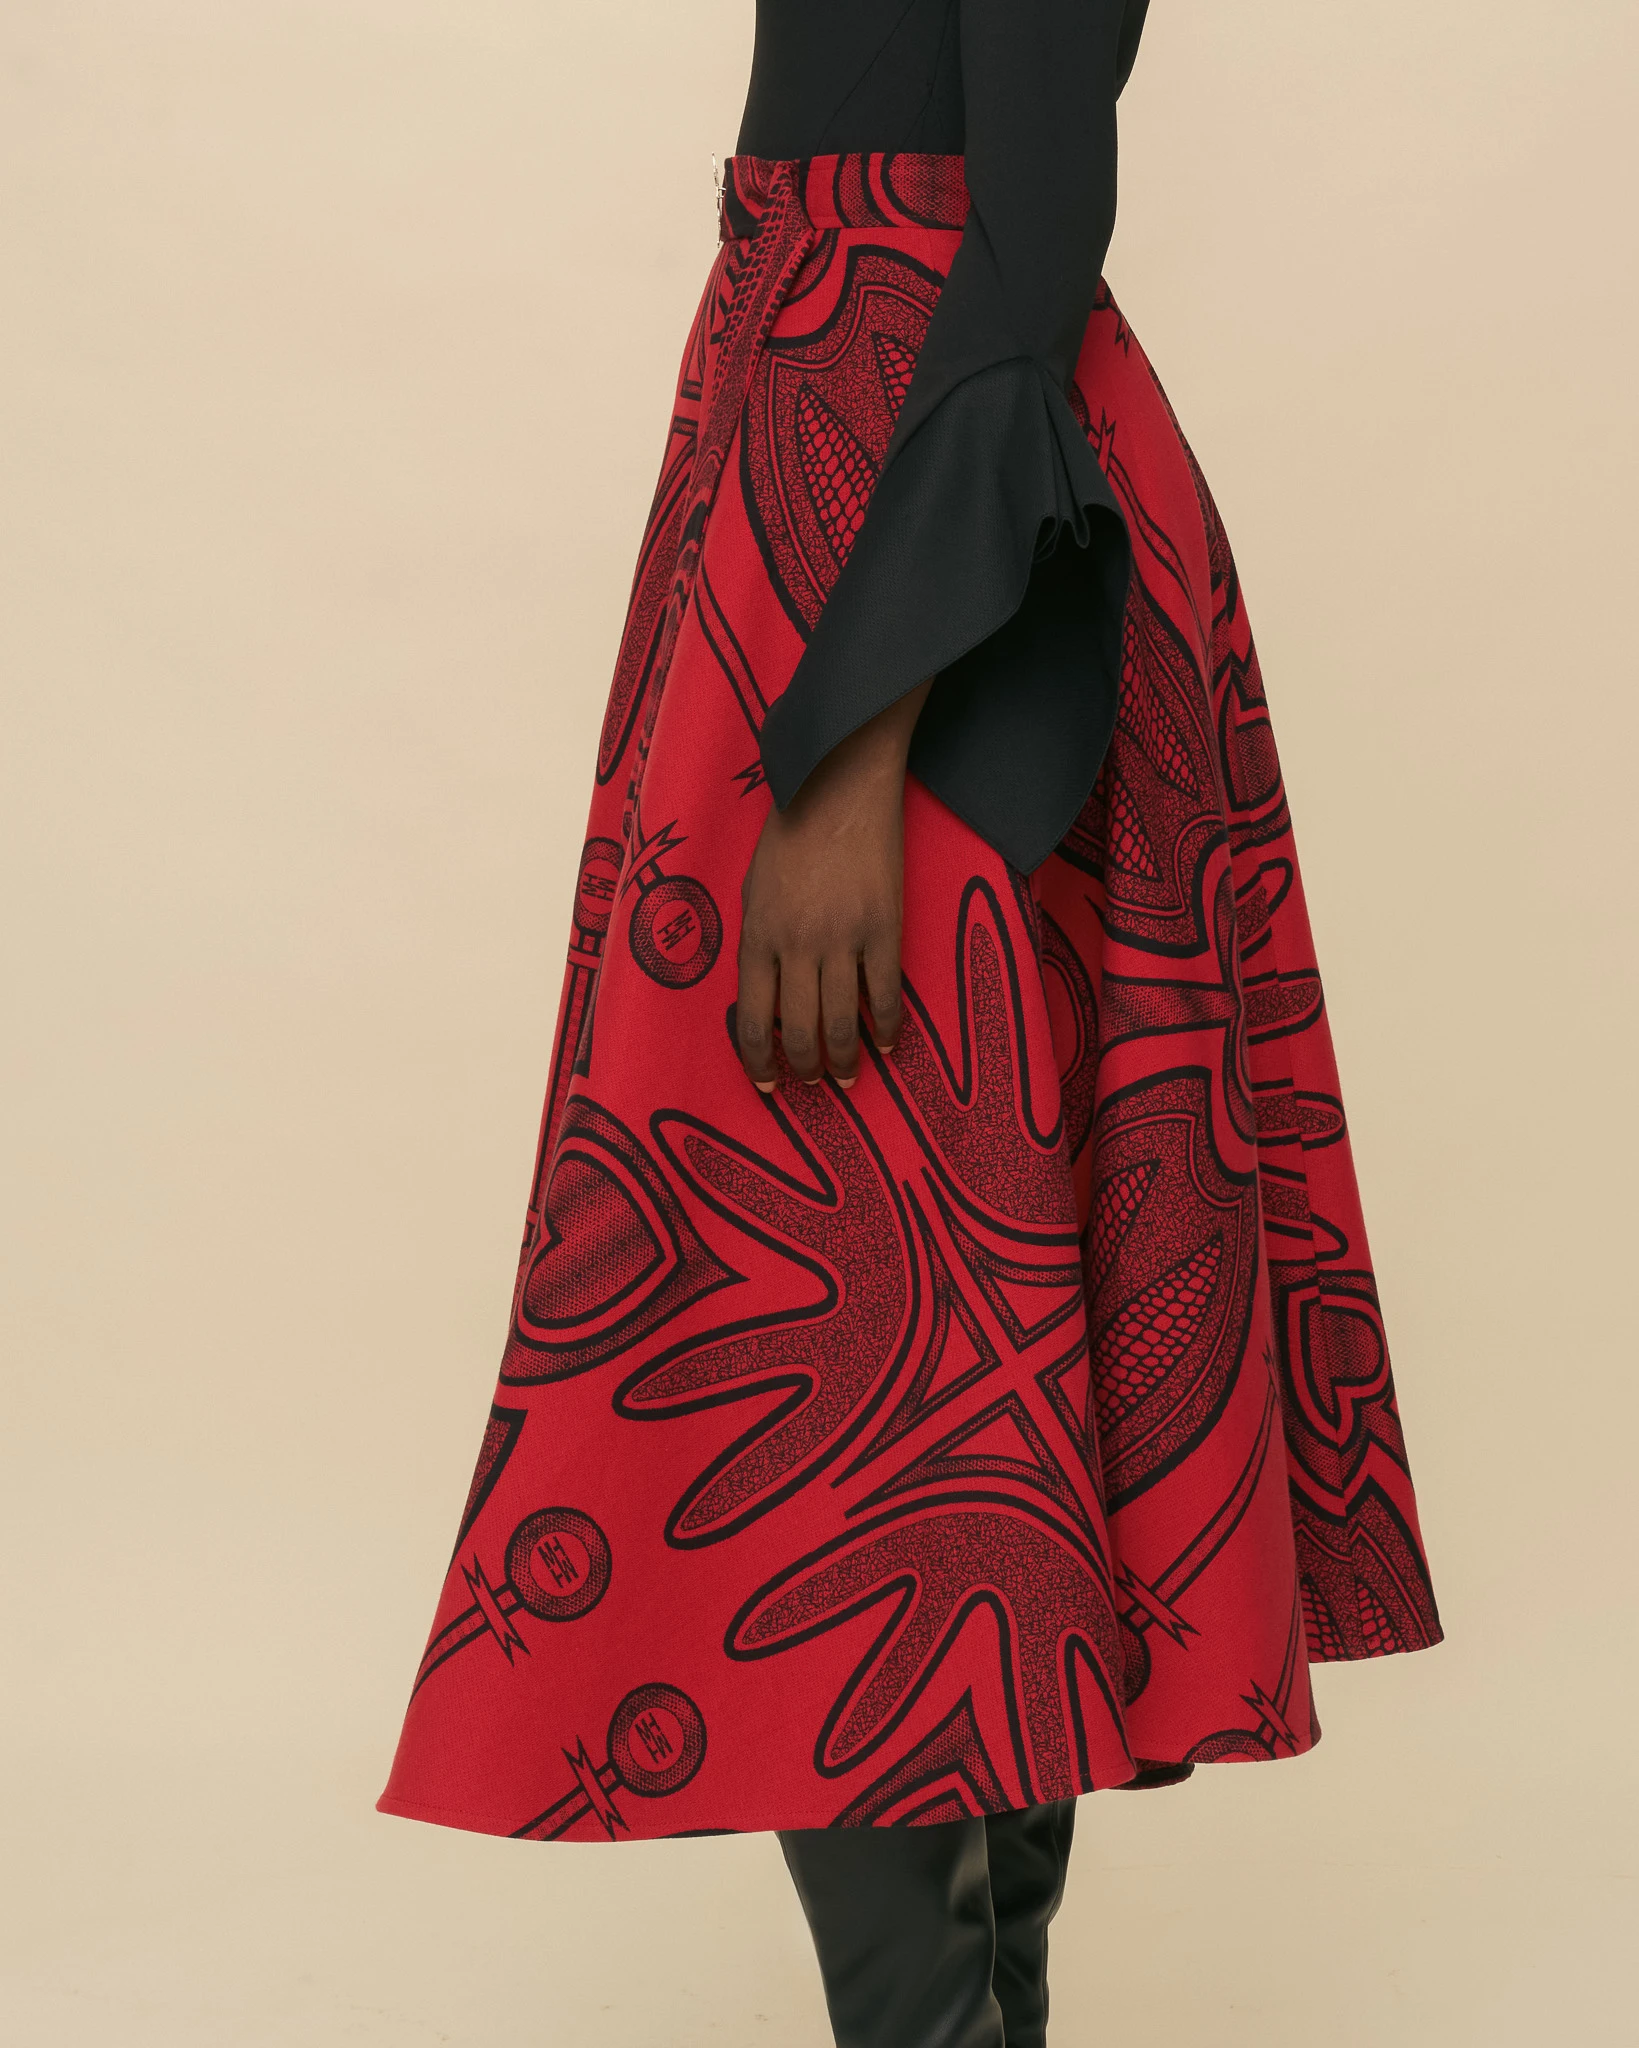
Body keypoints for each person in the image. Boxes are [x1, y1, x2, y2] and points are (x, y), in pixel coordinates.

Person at [378, 6, 1443, 2042]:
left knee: (894, 1382)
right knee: (976, 1332)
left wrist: (855, 752)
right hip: (858, 488)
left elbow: (1032, 220)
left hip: (916, 556)